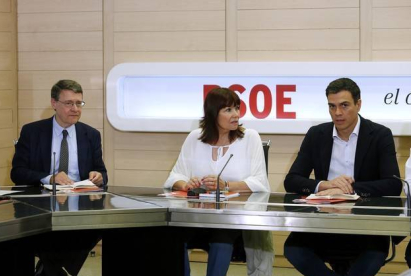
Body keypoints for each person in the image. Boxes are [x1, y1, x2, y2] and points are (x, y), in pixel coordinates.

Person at [283, 77, 402, 276]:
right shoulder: (316, 134)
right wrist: (324, 185)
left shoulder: (380, 135)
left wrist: (349, 189)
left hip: (366, 224)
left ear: (358, 104)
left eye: (344, 105)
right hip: (323, 222)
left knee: (374, 253)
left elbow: (392, 184)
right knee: (293, 249)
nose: (337, 113)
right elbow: (292, 180)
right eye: (332, 106)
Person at [164, 87, 273, 276]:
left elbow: (260, 182)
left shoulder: (250, 137)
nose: (236, 115)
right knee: (173, 235)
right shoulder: (194, 138)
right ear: (213, 113)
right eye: (228, 110)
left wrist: (227, 185)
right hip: (196, 218)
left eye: (237, 108)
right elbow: (174, 177)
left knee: (221, 237)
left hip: (232, 219)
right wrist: (187, 184)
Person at [11, 79, 108, 276]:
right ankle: (56, 271)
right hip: (41, 204)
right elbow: (17, 173)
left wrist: (98, 177)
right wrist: (49, 178)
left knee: (96, 230)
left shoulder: (91, 135)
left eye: (79, 103)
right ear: (54, 103)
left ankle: (48, 270)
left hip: (80, 205)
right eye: (69, 103)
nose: (75, 109)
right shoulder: (32, 132)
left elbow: (102, 173)